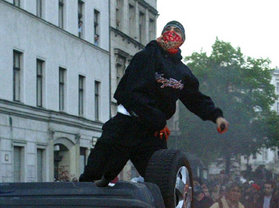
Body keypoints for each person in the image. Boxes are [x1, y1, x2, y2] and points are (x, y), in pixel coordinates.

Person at [79, 21, 229, 186]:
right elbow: (133, 93)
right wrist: (157, 120)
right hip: (126, 124)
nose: (171, 33)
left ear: (183, 40)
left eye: (176, 31)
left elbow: (196, 99)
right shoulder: (145, 57)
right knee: (93, 175)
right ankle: (92, 193)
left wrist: (216, 116)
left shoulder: (183, 72)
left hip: (152, 134)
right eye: (167, 29)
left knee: (162, 182)